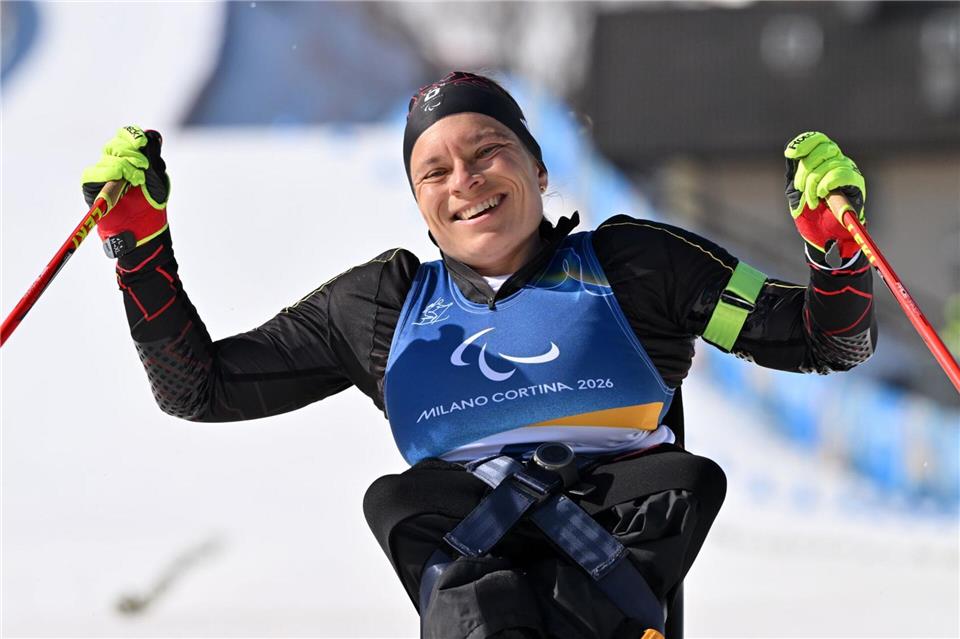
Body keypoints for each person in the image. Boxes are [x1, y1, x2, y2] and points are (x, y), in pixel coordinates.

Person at [82, 72, 876, 638]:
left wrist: (839, 259)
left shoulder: (638, 265)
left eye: (488, 150)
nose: (465, 178)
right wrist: (138, 251)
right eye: (435, 169)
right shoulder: (381, 307)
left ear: (537, 166)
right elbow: (200, 387)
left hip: (617, 561)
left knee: (683, 479)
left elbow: (825, 338)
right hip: (469, 569)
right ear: (422, 204)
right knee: (401, 497)